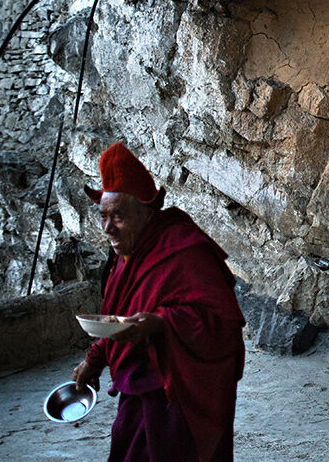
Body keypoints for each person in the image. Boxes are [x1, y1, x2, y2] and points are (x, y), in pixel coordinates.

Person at [71, 142, 245, 462]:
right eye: (104, 216)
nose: (108, 227)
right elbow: (116, 313)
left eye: (118, 216)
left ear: (146, 212)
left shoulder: (183, 248)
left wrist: (161, 323)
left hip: (178, 391)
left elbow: (223, 322)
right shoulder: (125, 252)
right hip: (139, 387)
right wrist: (94, 360)